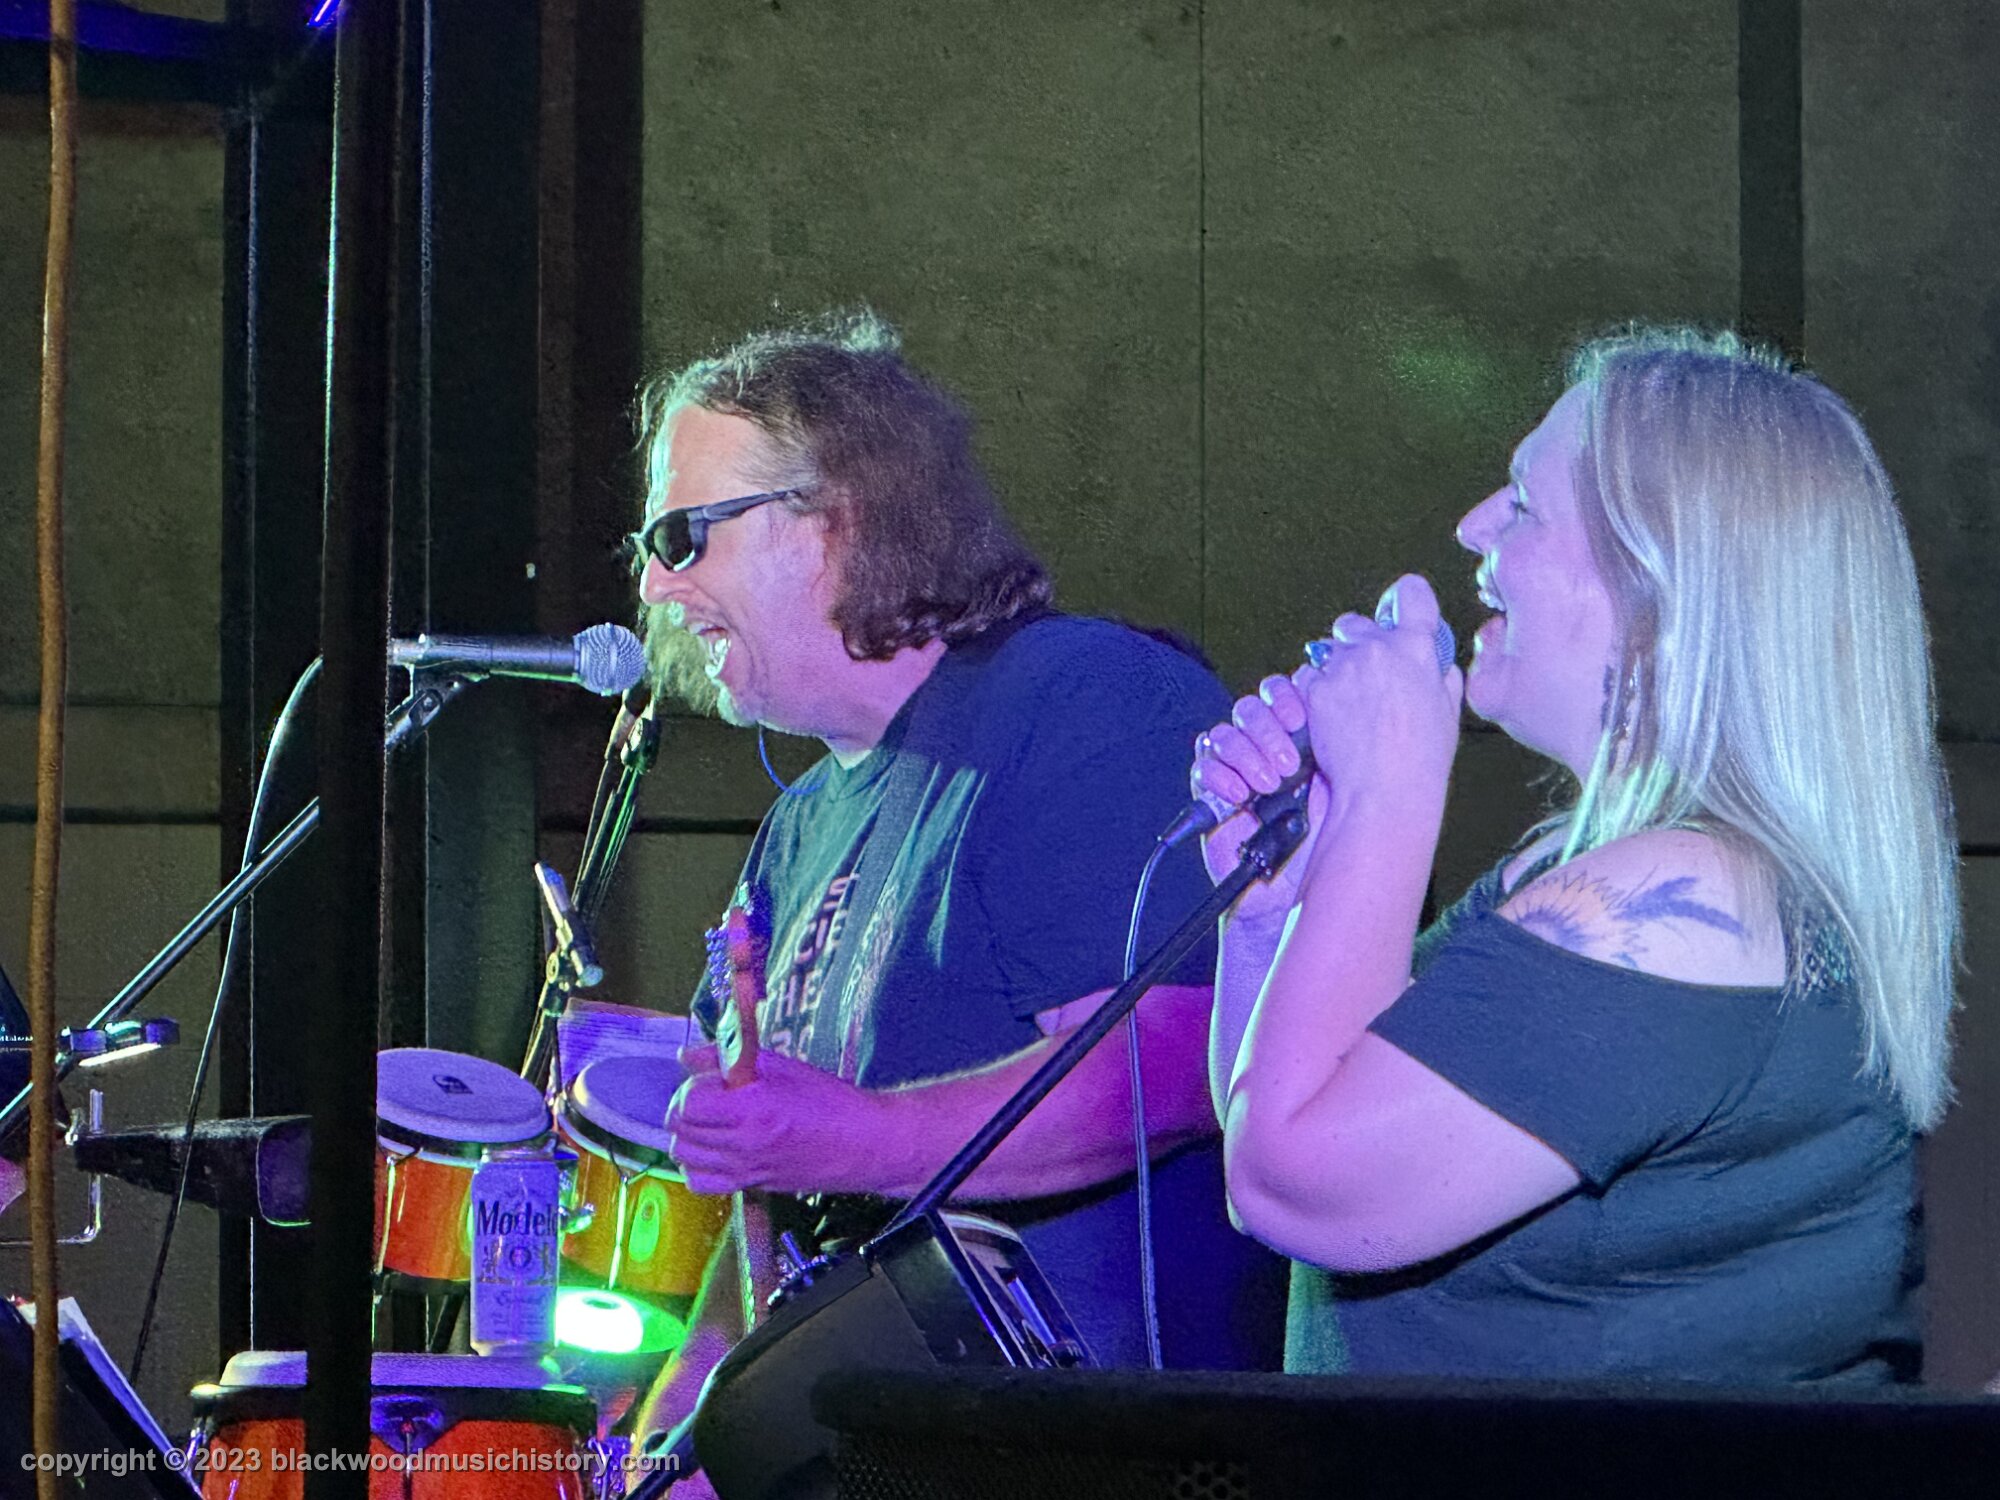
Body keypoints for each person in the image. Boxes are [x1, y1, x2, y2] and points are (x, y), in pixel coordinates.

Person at [1194, 327, 1957, 1384]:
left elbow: (1295, 1181)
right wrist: (1280, 908)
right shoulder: (1577, 867)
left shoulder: (1690, 901)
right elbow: (1289, 1135)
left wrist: (1388, 790)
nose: (1472, 526)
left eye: (1522, 502)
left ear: (1657, 581)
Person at [628, 311, 1284, 1469]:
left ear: (835, 518)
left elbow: (1175, 1067)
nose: (654, 582)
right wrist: (680, 1429)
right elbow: (765, 1215)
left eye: (684, 535)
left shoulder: (1084, 698)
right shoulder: (794, 830)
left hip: (1093, 1456)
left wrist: (852, 1138)